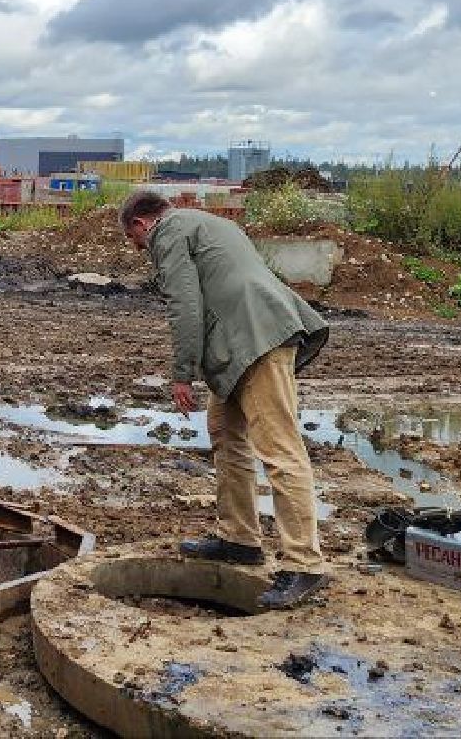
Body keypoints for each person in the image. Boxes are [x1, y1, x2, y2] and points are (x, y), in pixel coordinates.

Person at [120, 189, 333, 609]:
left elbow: (185, 304)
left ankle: (305, 564)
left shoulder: (168, 233)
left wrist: (182, 374)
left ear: (142, 224)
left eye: (134, 239)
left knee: (279, 449)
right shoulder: (210, 222)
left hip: (256, 341)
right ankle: (240, 539)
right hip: (243, 344)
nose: (138, 248)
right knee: (224, 431)